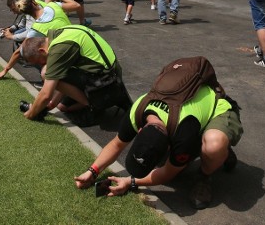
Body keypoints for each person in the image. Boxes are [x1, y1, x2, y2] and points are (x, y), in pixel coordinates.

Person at [73, 58, 243, 209]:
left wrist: (130, 182)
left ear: (169, 144)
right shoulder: (137, 110)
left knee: (214, 145)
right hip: (187, 120)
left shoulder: (183, 133)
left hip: (218, 107)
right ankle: (211, 152)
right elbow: (117, 143)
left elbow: (168, 172)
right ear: (140, 129)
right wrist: (92, 171)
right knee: (176, 157)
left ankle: (206, 174)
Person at [20, 24, 126, 125]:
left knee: (46, 72)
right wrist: (51, 105)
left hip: (106, 82)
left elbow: (46, 94)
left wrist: (30, 114)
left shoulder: (59, 50)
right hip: (109, 74)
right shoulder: (60, 33)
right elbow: (62, 76)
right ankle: (88, 102)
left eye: (40, 61)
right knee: (62, 106)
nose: (41, 64)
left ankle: (91, 106)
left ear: (42, 50)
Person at [0, 0, 80, 81]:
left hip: (68, 50)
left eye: (14, 9)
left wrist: (5, 70)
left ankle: (50, 80)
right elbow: (77, 5)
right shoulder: (52, 5)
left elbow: (19, 51)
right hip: (80, 38)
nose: (14, 12)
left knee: (39, 62)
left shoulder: (37, 28)